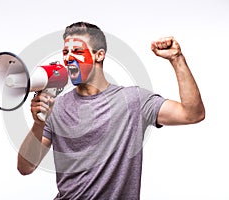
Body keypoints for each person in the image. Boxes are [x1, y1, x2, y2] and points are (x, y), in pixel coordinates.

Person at [17, 22, 205, 199]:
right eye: (65, 52)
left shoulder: (134, 101)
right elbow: (25, 167)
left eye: (77, 51)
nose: (68, 58)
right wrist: (38, 123)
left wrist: (176, 59)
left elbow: (192, 114)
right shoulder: (55, 108)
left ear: (99, 55)